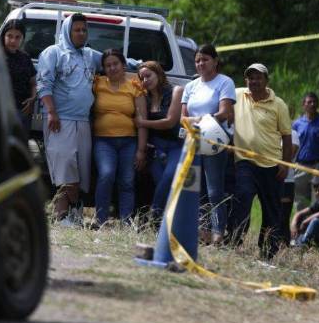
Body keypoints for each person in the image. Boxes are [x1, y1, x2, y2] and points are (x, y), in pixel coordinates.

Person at [36, 13, 139, 222]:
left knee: (80, 170)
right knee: (66, 167)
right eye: (77, 30)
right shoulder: (53, 52)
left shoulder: (88, 55)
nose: (82, 34)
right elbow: (43, 84)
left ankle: (73, 215)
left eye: (84, 30)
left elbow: (114, 61)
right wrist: (52, 113)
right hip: (60, 120)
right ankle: (61, 215)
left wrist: (141, 66)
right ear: (67, 31)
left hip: (83, 121)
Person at [227, 63, 292, 259]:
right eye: (250, 78)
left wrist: (285, 164)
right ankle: (234, 242)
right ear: (246, 80)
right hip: (245, 162)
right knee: (242, 198)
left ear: (266, 80)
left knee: (272, 210)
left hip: (272, 166)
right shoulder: (237, 95)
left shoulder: (278, 104)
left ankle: (268, 252)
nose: (254, 81)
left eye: (258, 78)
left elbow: (287, 137)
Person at [181, 44, 235, 245]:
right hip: (193, 141)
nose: (200, 64)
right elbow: (183, 117)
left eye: (205, 59)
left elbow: (225, 113)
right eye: (197, 61)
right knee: (196, 188)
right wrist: (194, 122)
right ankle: (201, 230)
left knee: (214, 190)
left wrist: (202, 120)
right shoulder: (190, 86)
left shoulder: (225, 82)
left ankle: (218, 232)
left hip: (214, 141)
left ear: (215, 61)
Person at [91, 49, 148, 226]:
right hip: (103, 140)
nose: (112, 68)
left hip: (129, 142)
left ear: (123, 65)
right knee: (106, 174)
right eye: (108, 65)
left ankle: (126, 221)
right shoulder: (97, 83)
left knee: (127, 180)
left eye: (115, 63)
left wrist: (141, 150)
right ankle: (100, 219)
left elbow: (143, 120)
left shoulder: (135, 86)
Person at [136, 60, 185, 221]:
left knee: (169, 178)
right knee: (159, 182)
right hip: (155, 147)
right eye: (141, 78)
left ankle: (154, 216)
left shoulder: (176, 91)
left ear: (158, 73)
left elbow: (170, 121)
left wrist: (143, 122)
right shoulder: (144, 97)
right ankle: (161, 223)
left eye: (148, 76)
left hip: (175, 145)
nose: (145, 81)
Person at [292, 92, 319, 210]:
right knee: (300, 200)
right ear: (303, 105)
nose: (312, 104)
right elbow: (292, 144)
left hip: (318, 166)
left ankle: (317, 226)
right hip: (300, 166)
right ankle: (301, 226)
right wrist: (292, 164)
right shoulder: (296, 124)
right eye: (309, 102)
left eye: (314, 102)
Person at [0, 19, 37, 133]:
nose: (13, 40)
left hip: (22, 113)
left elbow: (33, 83)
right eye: (9, 36)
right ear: (3, 36)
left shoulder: (25, 58)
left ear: (23, 39)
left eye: (18, 37)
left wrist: (33, 98)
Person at [280, 126, 301, 245]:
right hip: (270, 180)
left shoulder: (292, 134)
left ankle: (284, 245)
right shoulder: (268, 133)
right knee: (273, 214)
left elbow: (289, 154)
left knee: (283, 215)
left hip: (286, 180)